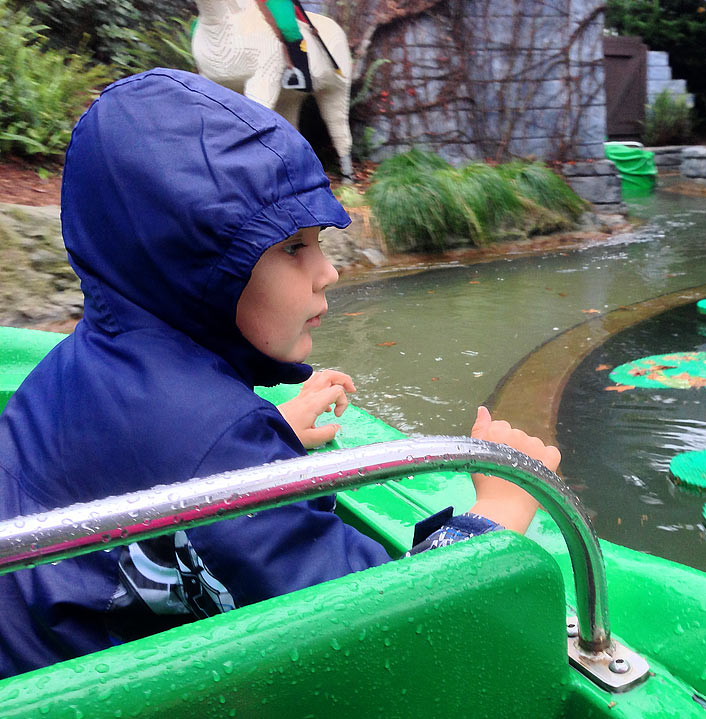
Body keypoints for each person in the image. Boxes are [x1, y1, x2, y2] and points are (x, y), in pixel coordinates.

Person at [0, 69, 560, 678]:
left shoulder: (90, 356)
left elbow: (128, 459)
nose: (329, 273)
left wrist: (271, 434)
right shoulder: (209, 438)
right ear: (193, 266)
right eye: (293, 248)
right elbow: (389, 631)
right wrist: (502, 506)